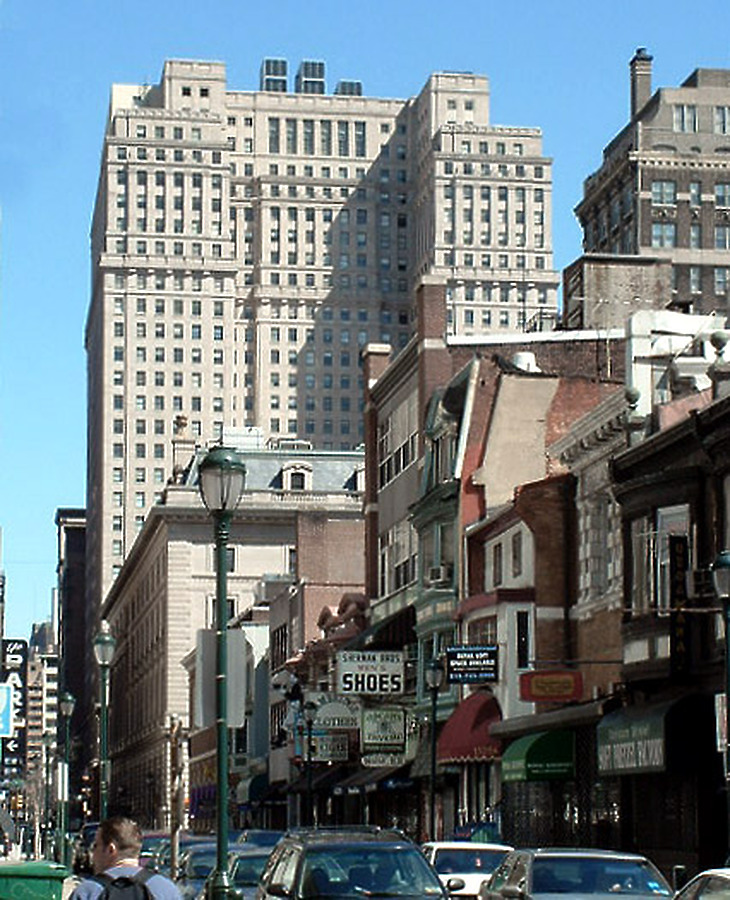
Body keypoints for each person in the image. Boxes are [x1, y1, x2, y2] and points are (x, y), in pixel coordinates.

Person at [69, 816, 181, 899]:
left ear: (111, 849)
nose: (93, 853)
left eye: (96, 845)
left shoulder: (88, 892)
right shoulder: (166, 889)